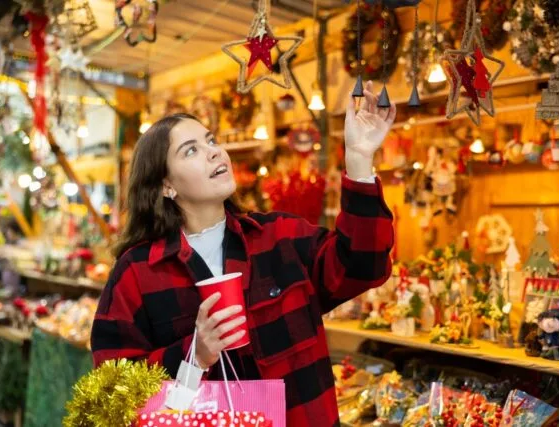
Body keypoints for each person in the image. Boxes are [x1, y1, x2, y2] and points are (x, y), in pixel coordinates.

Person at [91, 82, 396, 426]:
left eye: (211, 141)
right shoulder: (138, 272)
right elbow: (110, 390)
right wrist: (193, 356)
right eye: (190, 151)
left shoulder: (280, 237)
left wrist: (358, 159)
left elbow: (364, 265)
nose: (214, 152)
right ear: (165, 185)